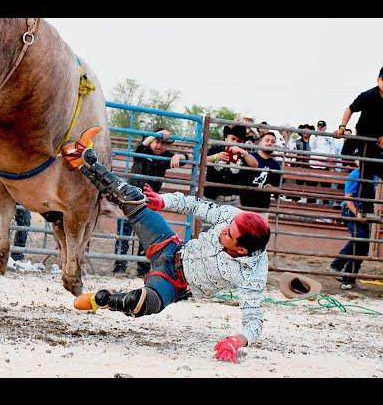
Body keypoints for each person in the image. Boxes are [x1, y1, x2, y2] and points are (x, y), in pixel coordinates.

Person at [60, 133, 270, 364]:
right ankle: (84, 161)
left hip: (175, 284)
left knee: (139, 303)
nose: (222, 230)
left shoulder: (253, 273)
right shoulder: (235, 217)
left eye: (229, 235)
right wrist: (163, 202)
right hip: (170, 248)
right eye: (227, 227)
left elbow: (254, 321)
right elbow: (195, 205)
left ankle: (103, 300)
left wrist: (237, 341)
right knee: (134, 199)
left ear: (241, 251)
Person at [113, 128, 190, 278]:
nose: (159, 146)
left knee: (147, 237)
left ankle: (142, 269)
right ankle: (119, 268)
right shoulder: (142, 152)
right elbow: (141, 146)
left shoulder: (164, 157)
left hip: (149, 202)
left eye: (163, 143)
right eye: (157, 141)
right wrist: (155, 135)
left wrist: (179, 155)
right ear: (151, 141)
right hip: (130, 199)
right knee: (124, 234)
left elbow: (186, 159)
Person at [334, 67, 383, 217]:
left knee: (373, 169)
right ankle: (367, 210)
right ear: (378, 80)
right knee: (366, 172)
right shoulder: (368, 95)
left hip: (380, 138)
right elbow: (349, 109)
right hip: (365, 136)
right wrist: (342, 127)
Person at [330, 159, 377, 290]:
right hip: (351, 210)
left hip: (363, 211)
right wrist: (357, 214)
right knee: (359, 238)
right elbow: (348, 198)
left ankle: (349, 278)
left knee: (363, 245)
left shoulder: (372, 175)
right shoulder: (354, 175)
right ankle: (337, 264)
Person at [204, 124, 258, 205]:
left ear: (242, 142)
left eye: (239, 141)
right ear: (226, 138)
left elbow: (255, 164)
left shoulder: (244, 155)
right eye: (233, 139)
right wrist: (216, 157)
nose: (235, 142)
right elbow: (202, 161)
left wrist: (243, 152)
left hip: (231, 200)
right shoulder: (215, 149)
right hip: (209, 197)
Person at [240, 132, 281, 218]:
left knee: (259, 231)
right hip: (243, 206)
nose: (270, 143)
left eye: (273, 142)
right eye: (267, 140)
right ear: (260, 142)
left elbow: (277, 188)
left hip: (263, 208)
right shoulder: (249, 158)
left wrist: (273, 189)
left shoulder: (275, 166)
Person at [309, 120, 338, 205]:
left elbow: (333, 148)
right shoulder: (313, 136)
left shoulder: (329, 137)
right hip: (313, 165)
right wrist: (317, 135)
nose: (321, 128)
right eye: (319, 126)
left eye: (322, 126)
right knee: (312, 188)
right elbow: (312, 146)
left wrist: (331, 156)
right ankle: (311, 205)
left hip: (325, 165)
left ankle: (325, 205)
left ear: (325, 127)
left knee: (326, 188)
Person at [292, 124, 315, 202]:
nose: (305, 132)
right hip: (299, 165)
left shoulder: (314, 142)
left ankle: (310, 202)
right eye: (304, 130)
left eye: (308, 130)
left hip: (311, 166)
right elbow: (293, 153)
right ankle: (296, 201)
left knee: (311, 184)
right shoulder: (296, 142)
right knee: (298, 184)